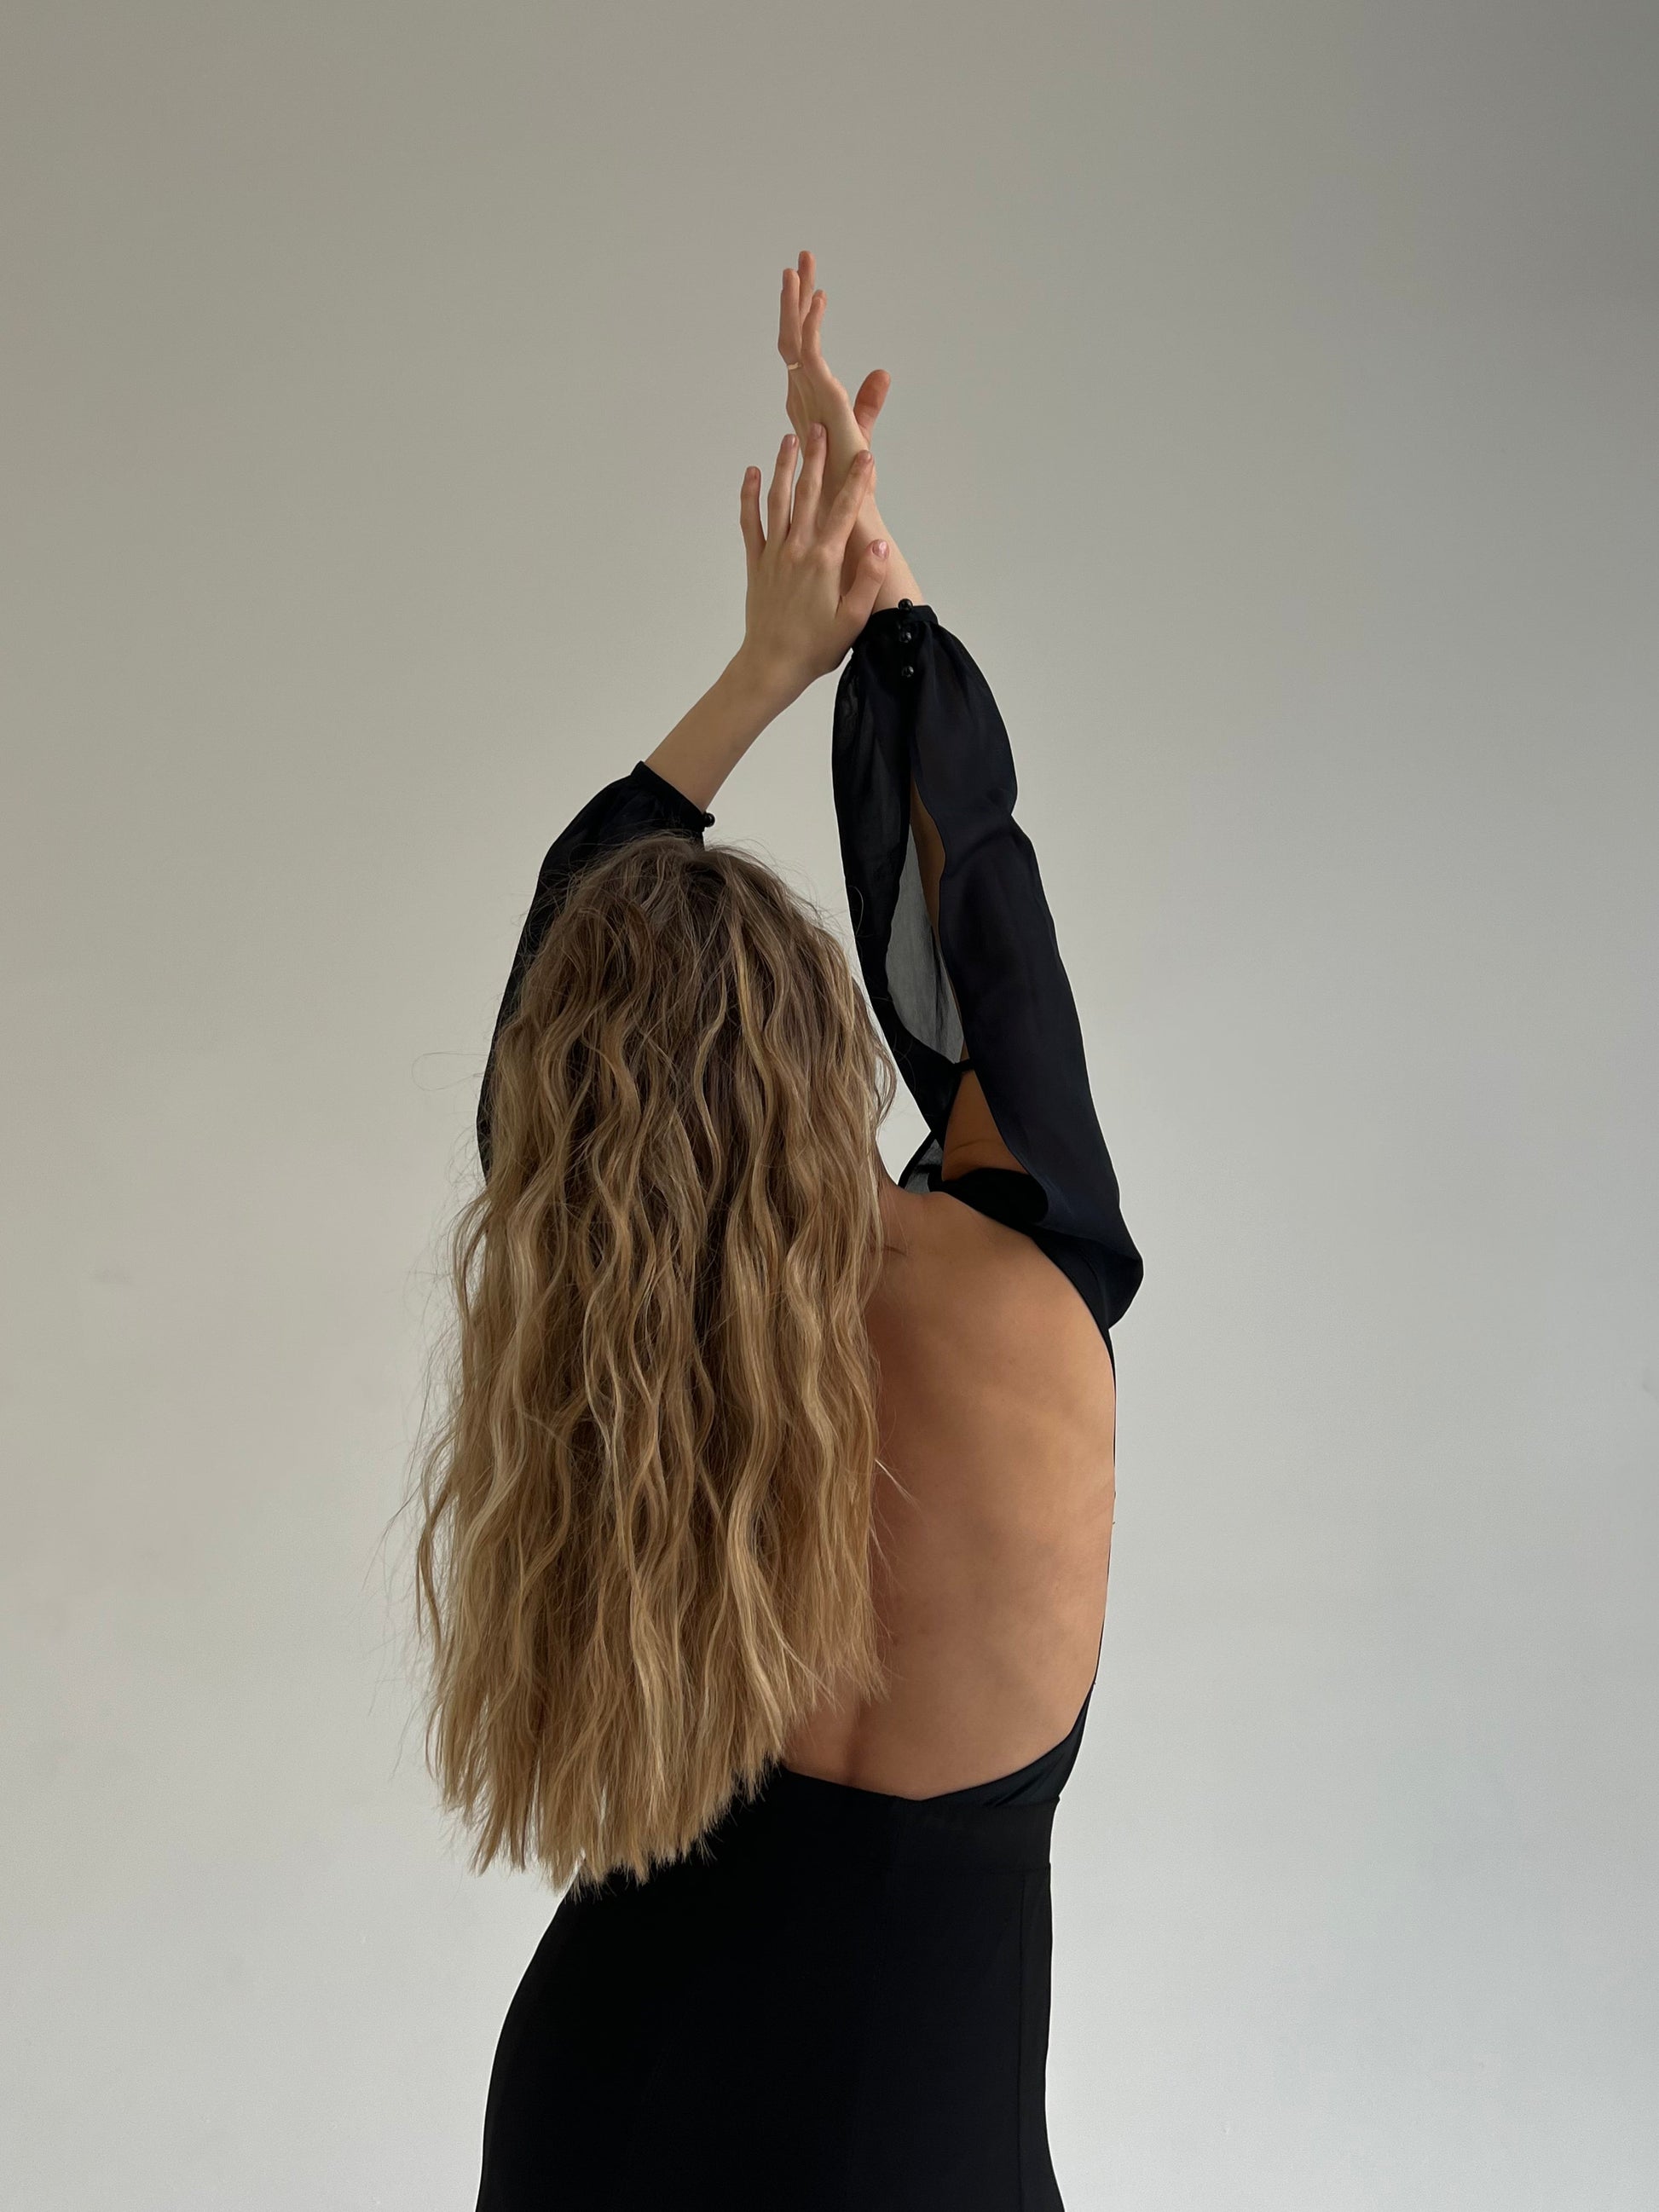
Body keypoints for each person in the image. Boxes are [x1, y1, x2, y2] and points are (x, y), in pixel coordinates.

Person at [413, 251, 1143, 2211]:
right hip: (924, 2151)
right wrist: (882, 624)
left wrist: (752, 680)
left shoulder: (617, 1342)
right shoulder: (1022, 1290)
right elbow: (990, 932)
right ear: (831, 1044)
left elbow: (548, 1048)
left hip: (602, 2114)